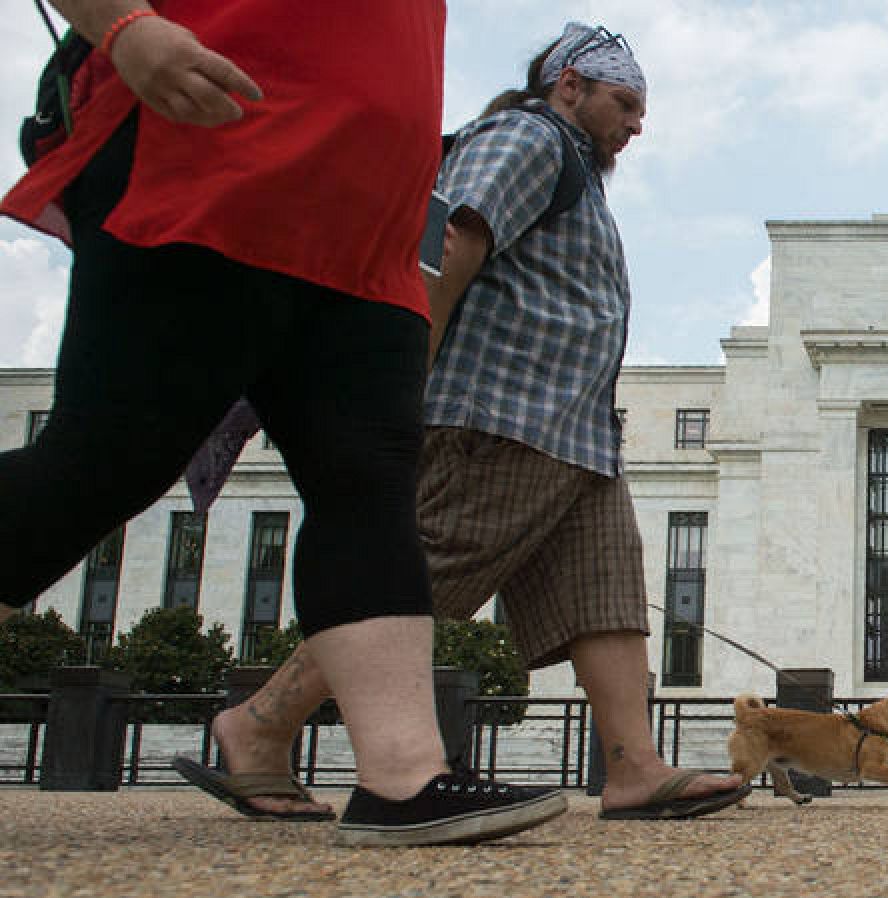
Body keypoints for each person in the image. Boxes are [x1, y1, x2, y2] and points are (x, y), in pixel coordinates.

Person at [0, 1, 563, 846]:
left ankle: (404, 775)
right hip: (217, 163)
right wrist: (124, 26)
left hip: (370, 224)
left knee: (369, 477)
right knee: (107, 458)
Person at [182, 22, 750, 821]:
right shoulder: (529, 137)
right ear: (570, 86)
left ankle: (634, 767)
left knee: (607, 598)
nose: (637, 124)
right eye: (625, 103)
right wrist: (404, 374)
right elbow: (449, 240)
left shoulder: (577, 172)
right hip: (502, 413)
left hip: (578, 433)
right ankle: (259, 725)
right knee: (421, 580)